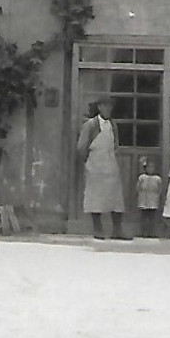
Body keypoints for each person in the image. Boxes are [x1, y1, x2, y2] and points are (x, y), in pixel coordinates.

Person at [76, 97, 127, 239]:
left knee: (115, 197)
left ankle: (117, 230)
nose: (108, 109)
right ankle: (98, 229)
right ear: (99, 107)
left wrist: (115, 156)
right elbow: (81, 147)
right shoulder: (90, 125)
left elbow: (116, 144)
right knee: (95, 197)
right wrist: (88, 162)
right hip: (95, 163)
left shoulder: (113, 125)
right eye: (105, 106)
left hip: (110, 163)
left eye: (110, 106)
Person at [136, 158, 162, 238]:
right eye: (148, 167)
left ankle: (152, 232)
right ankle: (143, 232)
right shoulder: (142, 177)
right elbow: (138, 188)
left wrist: (158, 197)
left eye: (152, 167)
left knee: (152, 217)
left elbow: (160, 189)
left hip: (153, 200)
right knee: (144, 217)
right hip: (144, 199)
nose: (150, 169)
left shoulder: (157, 179)